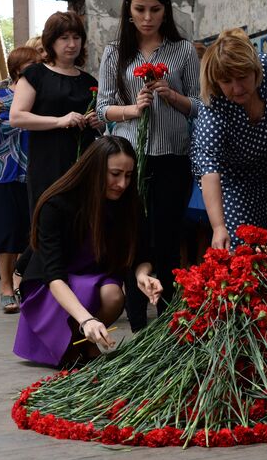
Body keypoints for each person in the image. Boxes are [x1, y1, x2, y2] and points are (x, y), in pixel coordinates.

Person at [96, 0, 201, 330]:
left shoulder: (183, 49)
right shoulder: (115, 52)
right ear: (128, 10)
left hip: (172, 155)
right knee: (134, 236)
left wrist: (172, 96)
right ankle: (139, 323)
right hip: (130, 158)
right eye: (140, 9)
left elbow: (200, 106)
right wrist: (132, 110)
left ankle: (170, 320)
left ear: (165, 11)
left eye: (155, 9)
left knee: (168, 237)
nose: (147, 17)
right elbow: (102, 109)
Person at [12, 136, 162, 368]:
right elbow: (53, 276)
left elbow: (142, 255)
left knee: (114, 294)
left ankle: (81, 344)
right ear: (94, 169)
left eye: (129, 176)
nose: (122, 184)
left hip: (96, 281)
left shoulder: (128, 203)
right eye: (115, 174)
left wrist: (142, 275)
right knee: (96, 300)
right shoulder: (57, 203)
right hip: (54, 287)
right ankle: (75, 342)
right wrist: (87, 319)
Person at [191, 28, 267, 249]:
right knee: (238, 245)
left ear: (255, 70)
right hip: (230, 180)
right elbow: (209, 169)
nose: (236, 88)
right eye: (227, 81)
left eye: (242, 77)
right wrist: (218, 227)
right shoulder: (214, 106)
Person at [10, 11, 100, 212]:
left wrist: (97, 122)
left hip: (83, 163)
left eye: (76, 38)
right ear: (51, 41)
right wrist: (60, 121)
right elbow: (16, 117)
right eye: (64, 38)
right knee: (48, 223)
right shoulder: (35, 74)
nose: (71, 44)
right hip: (47, 163)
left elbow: (99, 123)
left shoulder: (89, 81)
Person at [0, 46, 41, 312]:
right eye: (31, 65)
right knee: (5, 232)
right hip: (1, 172)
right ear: (17, 69)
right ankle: (5, 287)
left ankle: (22, 282)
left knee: (32, 232)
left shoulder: (41, 92)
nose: (37, 68)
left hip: (35, 171)